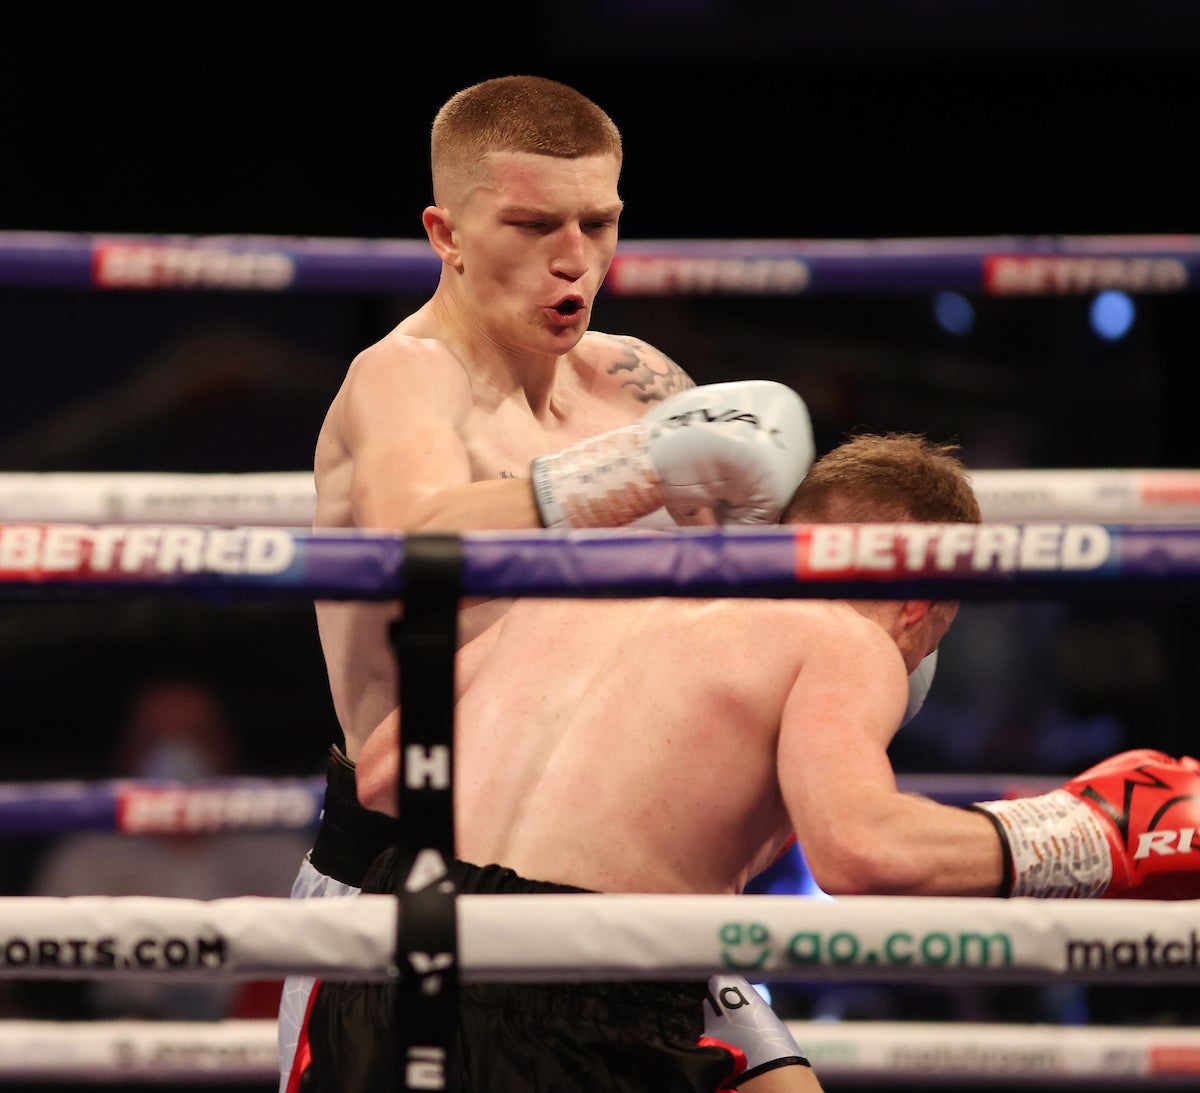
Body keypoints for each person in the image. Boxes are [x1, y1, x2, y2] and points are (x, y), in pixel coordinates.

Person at [299, 431, 1200, 1093]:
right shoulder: (843, 638)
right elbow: (860, 850)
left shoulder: (592, 583)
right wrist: (1085, 834)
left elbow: (379, 774)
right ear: (921, 599)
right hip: (577, 996)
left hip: (389, 952)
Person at [282, 74, 821, 1092]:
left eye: (599, 221)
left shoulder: (638, 380)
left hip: (630, 885)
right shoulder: (404, 375)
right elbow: (417, 531)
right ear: (445, 230)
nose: (573, 260)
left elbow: (752, 608)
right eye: (532, 224)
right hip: (416, 877)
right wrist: (641, 473)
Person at [25, 674, 313, 1022]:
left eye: (196, 736)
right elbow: (40, 986)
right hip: (113, 1048)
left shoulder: (280, 849)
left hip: (257, 1047)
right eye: (155, 737)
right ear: (127, 750)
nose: (178, 756)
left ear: (227, 746)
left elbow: (316, 967)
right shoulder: (84, 856)